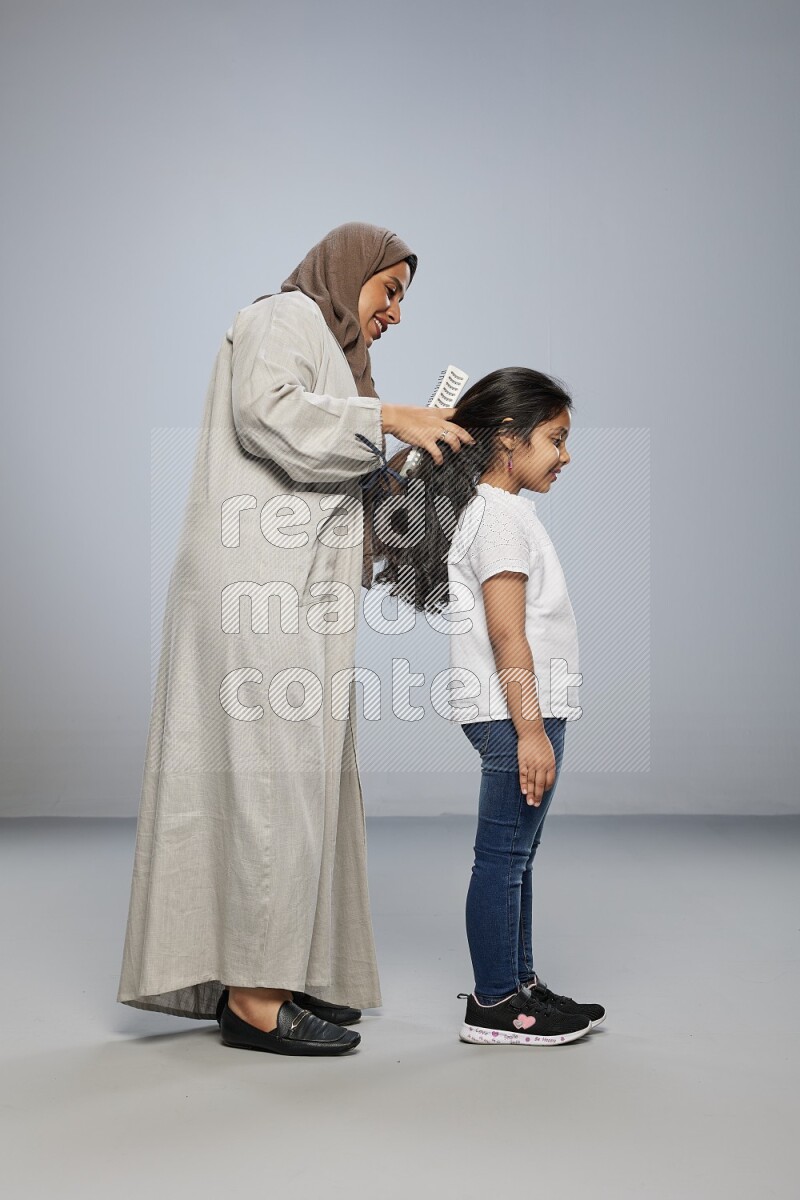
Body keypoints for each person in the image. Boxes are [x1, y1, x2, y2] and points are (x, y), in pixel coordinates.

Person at [116, 222, 474, 1057]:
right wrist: (388, 416)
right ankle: (254, 999)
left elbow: (327, 476)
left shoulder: (338, 363)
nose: (392, 313)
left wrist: (414, 469)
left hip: (292, 593)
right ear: (348, 272)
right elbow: (266, 414)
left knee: (300, 782)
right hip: (255, 589)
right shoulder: (285, 316)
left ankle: (278, 971)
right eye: (388, 291)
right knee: (273, 782)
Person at [373, 367, 606, 1046]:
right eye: (556, 439)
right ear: (509, 439)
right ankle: (496, 1002)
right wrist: (531, 729)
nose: (566, 455)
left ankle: (519, 983)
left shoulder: (504, 514)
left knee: (517, 857)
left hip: (521, 713)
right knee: (503, 857)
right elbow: (508, 633)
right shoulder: (499, 522)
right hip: (515, 716)